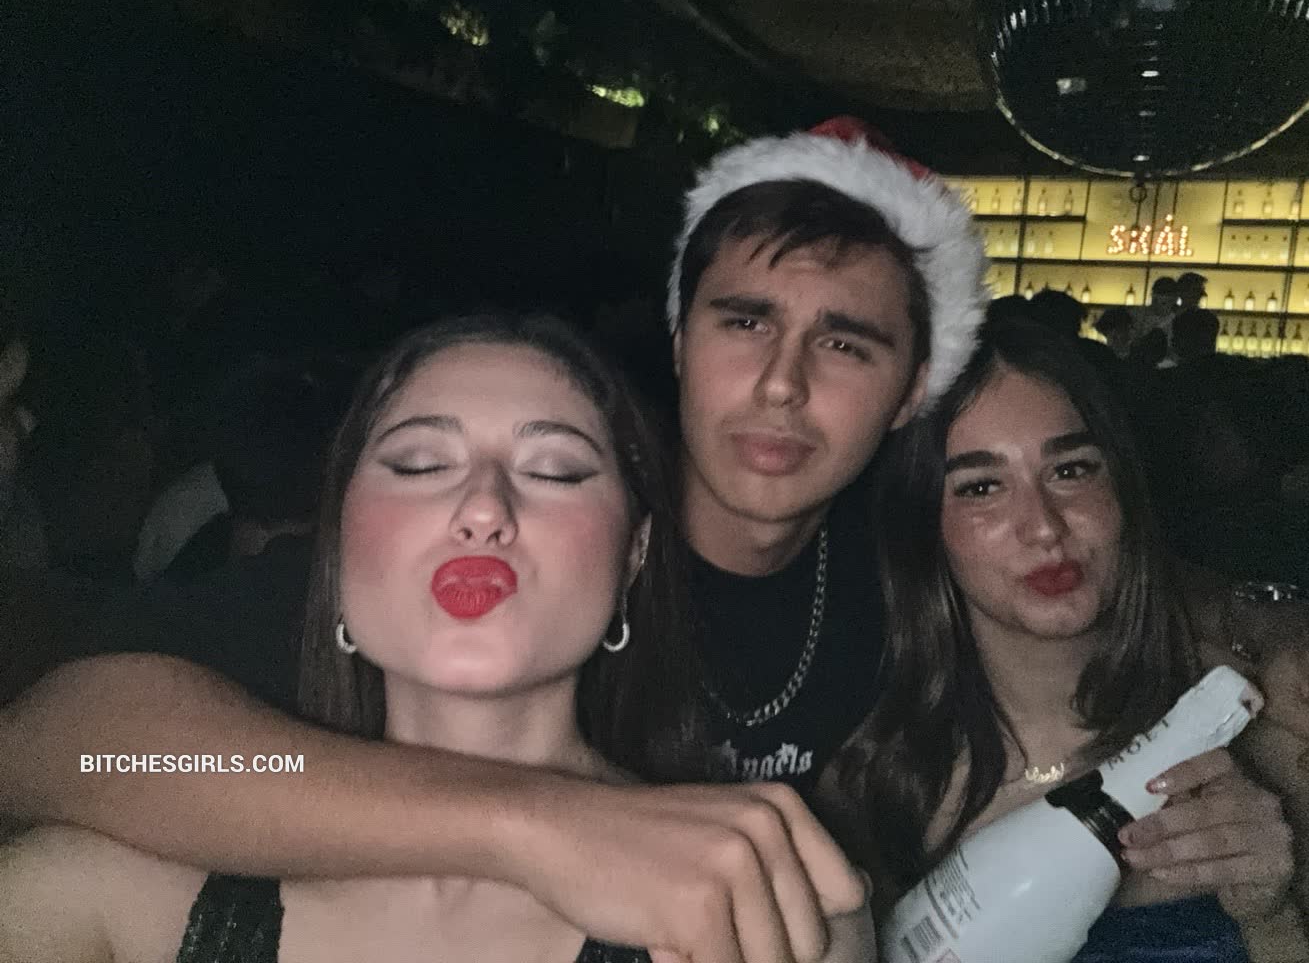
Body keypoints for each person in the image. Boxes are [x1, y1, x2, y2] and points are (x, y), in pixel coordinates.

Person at [2, 122, 1309, 963]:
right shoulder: (480, 577)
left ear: (908, 399)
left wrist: (1289, 621)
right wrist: (537, 825)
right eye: (745, 321)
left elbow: (1106, 573)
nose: (783, 384)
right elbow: (76, 746)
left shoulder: (896, 573)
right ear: (681, 340)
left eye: (847, 342)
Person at [0, 312, 875, 962]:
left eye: (556, 470)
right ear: (337, 542)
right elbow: (86, 748)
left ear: (636, 553)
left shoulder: (761, 910)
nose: (484, 507)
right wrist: (533, 824)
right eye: (419, 464)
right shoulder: (102, 895)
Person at [827, 317, 1309, 961]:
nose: (1044, 527)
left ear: (1122, 488)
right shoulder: (878, 778)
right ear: (923, 529)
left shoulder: (1270, 727)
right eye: (981, 487)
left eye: (1070, 470)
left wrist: (1273, 915)